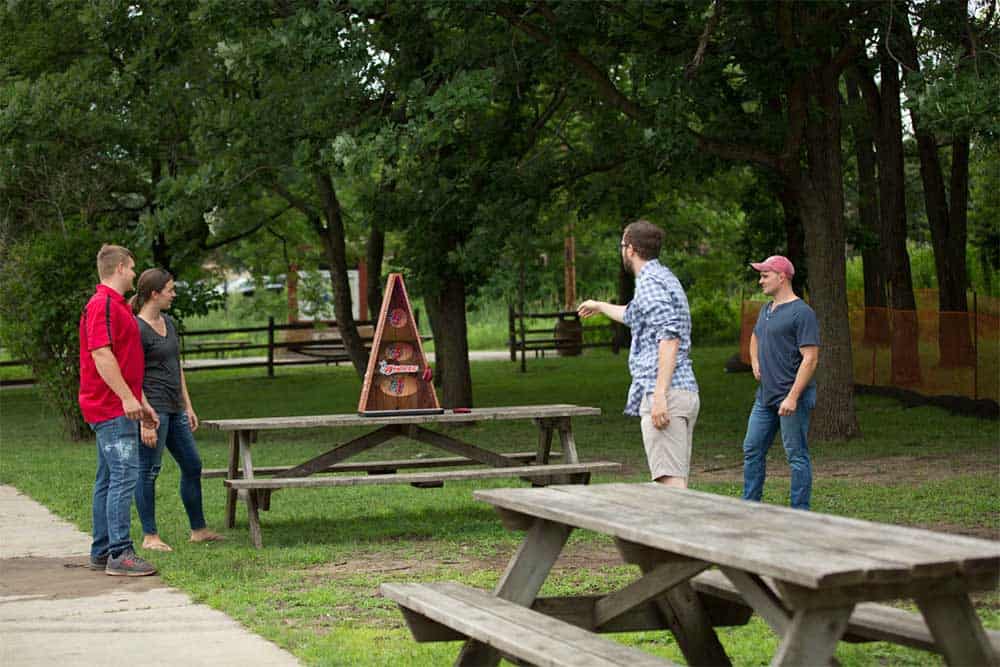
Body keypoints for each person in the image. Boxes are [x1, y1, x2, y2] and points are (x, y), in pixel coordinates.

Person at [578, 220, 699, 488]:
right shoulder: (662, 277)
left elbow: (669, 336)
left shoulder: (650, 283)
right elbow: (633, 315)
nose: (622, 250)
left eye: (622, 245)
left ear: (631, 249)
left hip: (667, 393)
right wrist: (600, 306)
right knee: (673, 483)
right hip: (682, 391)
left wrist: (659, 395)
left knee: (670, 486)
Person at [79, 244, 159, 576]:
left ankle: (101, 550)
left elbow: (126, 360)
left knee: (109, 477)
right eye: (132, 268)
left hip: (121, 403)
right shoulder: (102, 306)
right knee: (125, 475)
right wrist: (127, 399)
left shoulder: (117, 306)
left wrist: (141, 401)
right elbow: (101, 354)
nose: (134, 274)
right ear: (121, 268)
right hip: (111, 407)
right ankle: (120, 553)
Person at [132, 268, 224, 551]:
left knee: (193, 465)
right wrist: (144, 419)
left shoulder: (169, 322)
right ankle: (150, 536)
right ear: (154, 294)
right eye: (170, 290)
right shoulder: (136, 328)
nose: (174, 294)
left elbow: (176, 366)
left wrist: (188, 405)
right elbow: (132, 375)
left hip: (175, 407)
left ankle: (198, 529)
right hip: (154, 410)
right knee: (148, 470)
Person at [741, 255, 820, 510]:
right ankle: (750, 507)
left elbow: (810, 359)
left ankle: (800, 513)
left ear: (782, 276)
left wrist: (793, 397)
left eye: (765, 275)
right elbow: (755, 337)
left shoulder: (802, 313)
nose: (760, 280)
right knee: (752, 449)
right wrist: (755, 361)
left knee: (796, 456)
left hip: (791, 398)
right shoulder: (767, 309)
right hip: (765, 397)